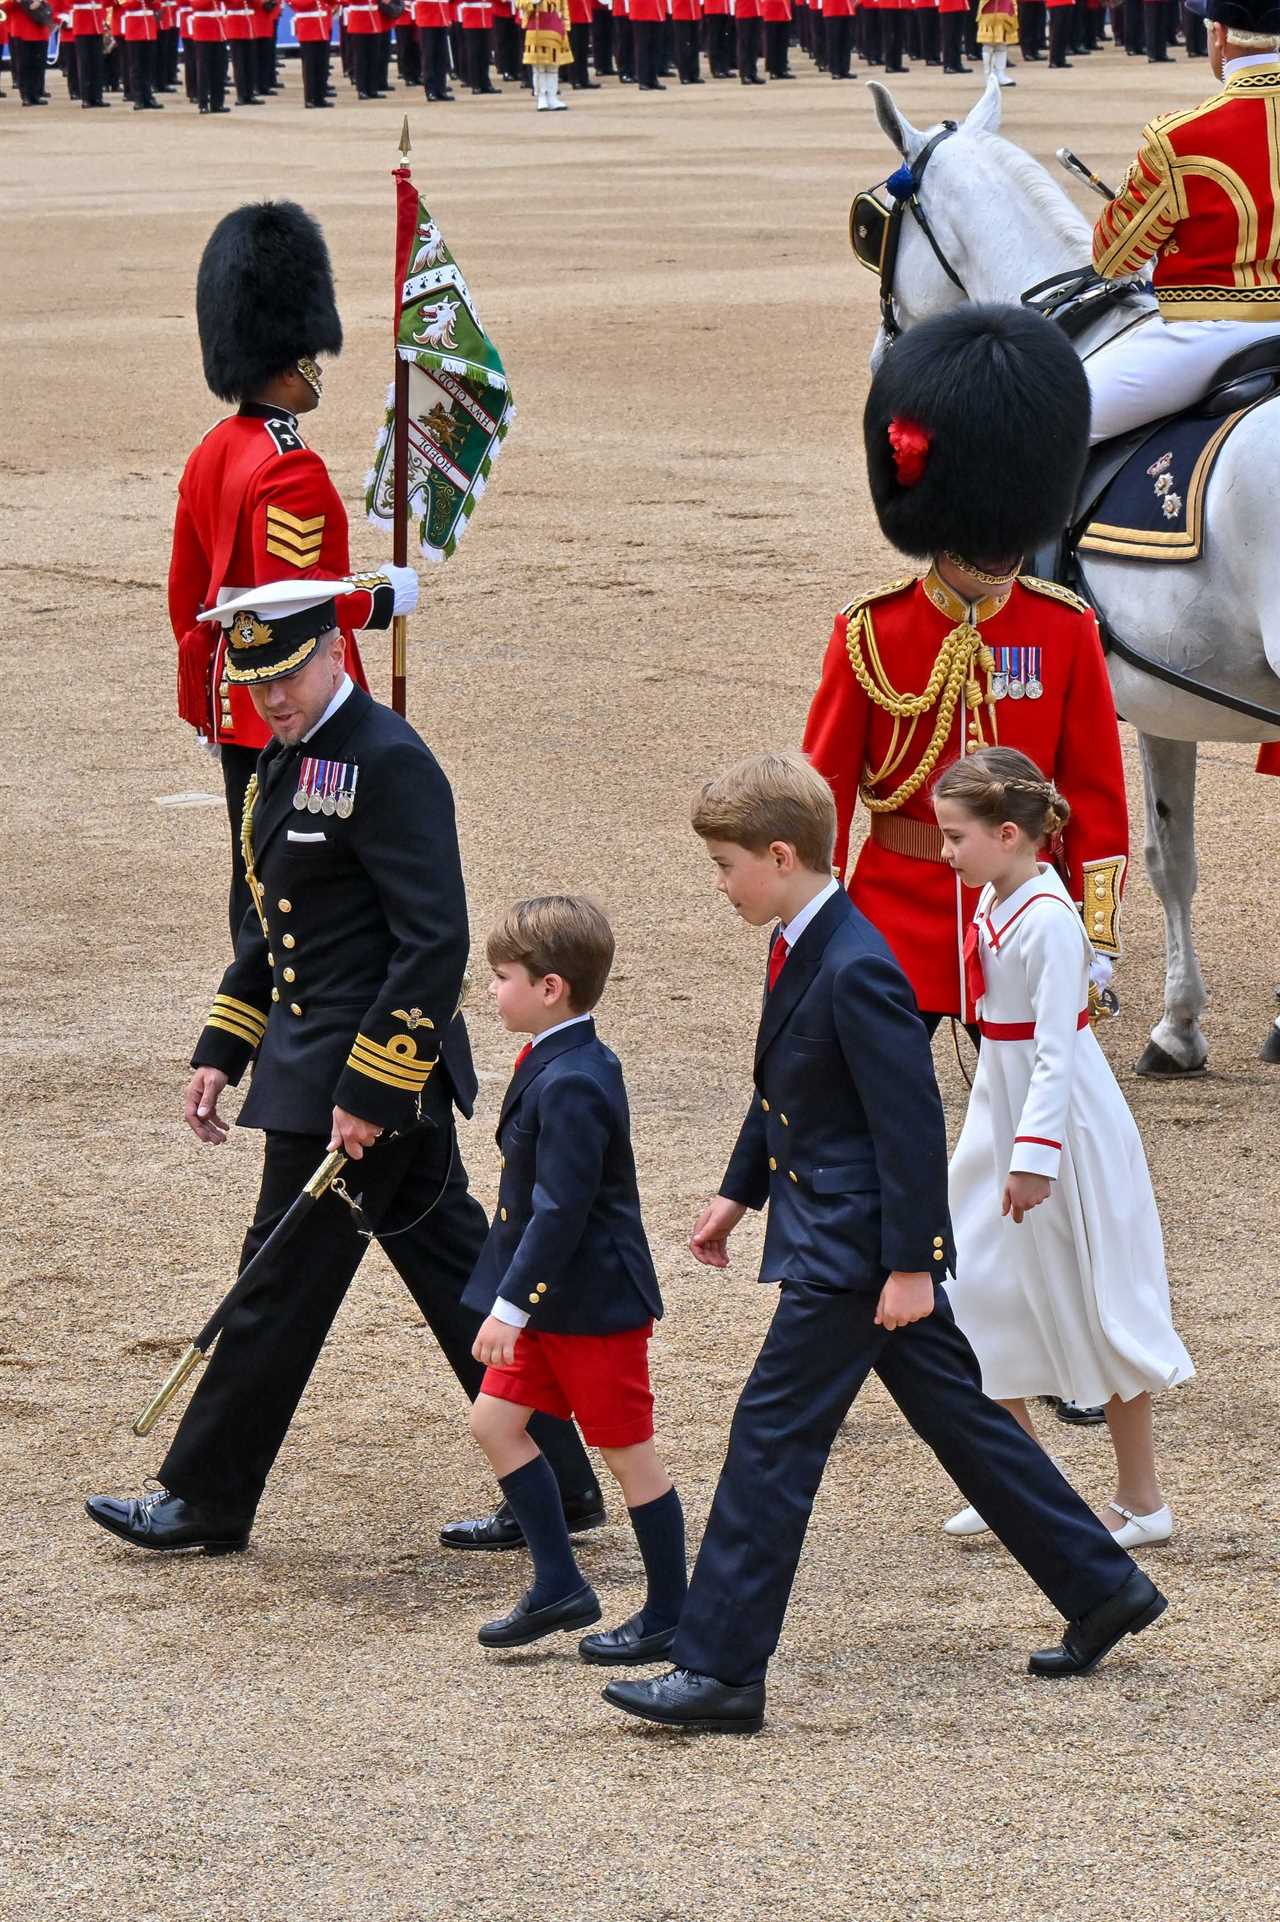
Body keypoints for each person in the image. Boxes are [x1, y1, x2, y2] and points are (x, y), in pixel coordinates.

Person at [602, 752, 1166, 1734]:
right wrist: (735, 1195)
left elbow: (906, 1125)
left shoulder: (857, 964)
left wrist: (909, 1262)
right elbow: (789, 1084)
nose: (718, 883)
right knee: (968, 1422)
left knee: (769, 1440)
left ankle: (721, 1667)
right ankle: (1101, 1585)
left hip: (854, 1251)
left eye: (726, 864)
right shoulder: (804, 940)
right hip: (845, 1235)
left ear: (780, 856)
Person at [85, 588, 605, 1557]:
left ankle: (204, 1494)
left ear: (332, 651)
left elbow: (433, 941)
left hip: (362, 1084)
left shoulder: (389, 761)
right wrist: (221, 1045)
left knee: (275, 1280)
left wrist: (369, 1092)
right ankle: (560, 1477)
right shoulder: (284, 761)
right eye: (256, 680)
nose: (272, 698)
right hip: (318, 1070)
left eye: (285, 674)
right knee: (456, 1273)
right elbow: (271, 928)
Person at [803, 305, 1129, 1041]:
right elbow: (820, 800)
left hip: (1023, 914)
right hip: (895, 921)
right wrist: (812, 927)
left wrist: (1094, 934)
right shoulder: (870, 631)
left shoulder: (1064, 627)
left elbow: (1096, 803)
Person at [932, 749, 1194, 1548]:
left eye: (954, 837)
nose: (944, 853)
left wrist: (1033, 1158)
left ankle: (1142, 1499)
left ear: (1009, 835)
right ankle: (1024, 1481)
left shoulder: (1047, 919)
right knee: (970, 1289)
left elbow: (1054, 1048)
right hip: (1000, 1106)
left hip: (1058, 1124)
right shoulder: (999, 898)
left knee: (1097, 1299)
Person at [168, 201, 412, 947]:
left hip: (236, 696)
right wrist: (379, 598)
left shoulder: (216, 447)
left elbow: (189, 596)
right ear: (287, 355)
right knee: (311, 882)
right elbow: (293, 607)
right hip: (293, 700)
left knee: (259, 869)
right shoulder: (287, 465)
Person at [463, 898, 685, 1660]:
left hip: (589, 1306)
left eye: (501, 978)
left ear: (550, 987)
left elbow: (561, 1211)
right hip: (552, 1300)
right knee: (493, 1425)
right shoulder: (555, 1058)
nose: (491, 991)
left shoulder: (574, 1079)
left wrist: (510, 1308)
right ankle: (559, 1585)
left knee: (629, 1457)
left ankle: (669, 1611)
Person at [1088, 0, 1280, 440]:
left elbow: (1111, 258)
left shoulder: (1180, 137)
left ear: (1218, 36)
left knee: (1050, 419)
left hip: (1213, 337)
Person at [518, 0, 569, 99]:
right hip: (537, 25)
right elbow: (519, 3)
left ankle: (552, 96)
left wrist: (566, 25)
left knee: (553, 65)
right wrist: (531, 3)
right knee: (539, 66)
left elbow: (563, 6)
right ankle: (541, 96)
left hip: (554, 25)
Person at [977, 0, 1017, 76]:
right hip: (989, 8)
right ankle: (988, 75)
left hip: (1005, 6)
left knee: (1002, 43)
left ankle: (1001, 74)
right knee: (988, 43)